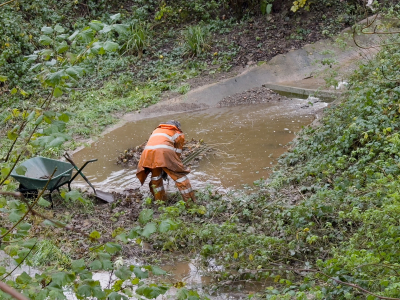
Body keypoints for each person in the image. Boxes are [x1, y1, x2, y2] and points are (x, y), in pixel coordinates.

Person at [136, 120, 196, 203]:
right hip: (163, 153)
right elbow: (177, 153)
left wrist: (163, 167)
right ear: (177, 127)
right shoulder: (178, 133)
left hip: (147, 155)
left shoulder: (156, 130)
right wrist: (170, 166)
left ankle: (160, 201)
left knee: (156, 177)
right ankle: (190, 203)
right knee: (180, 177)